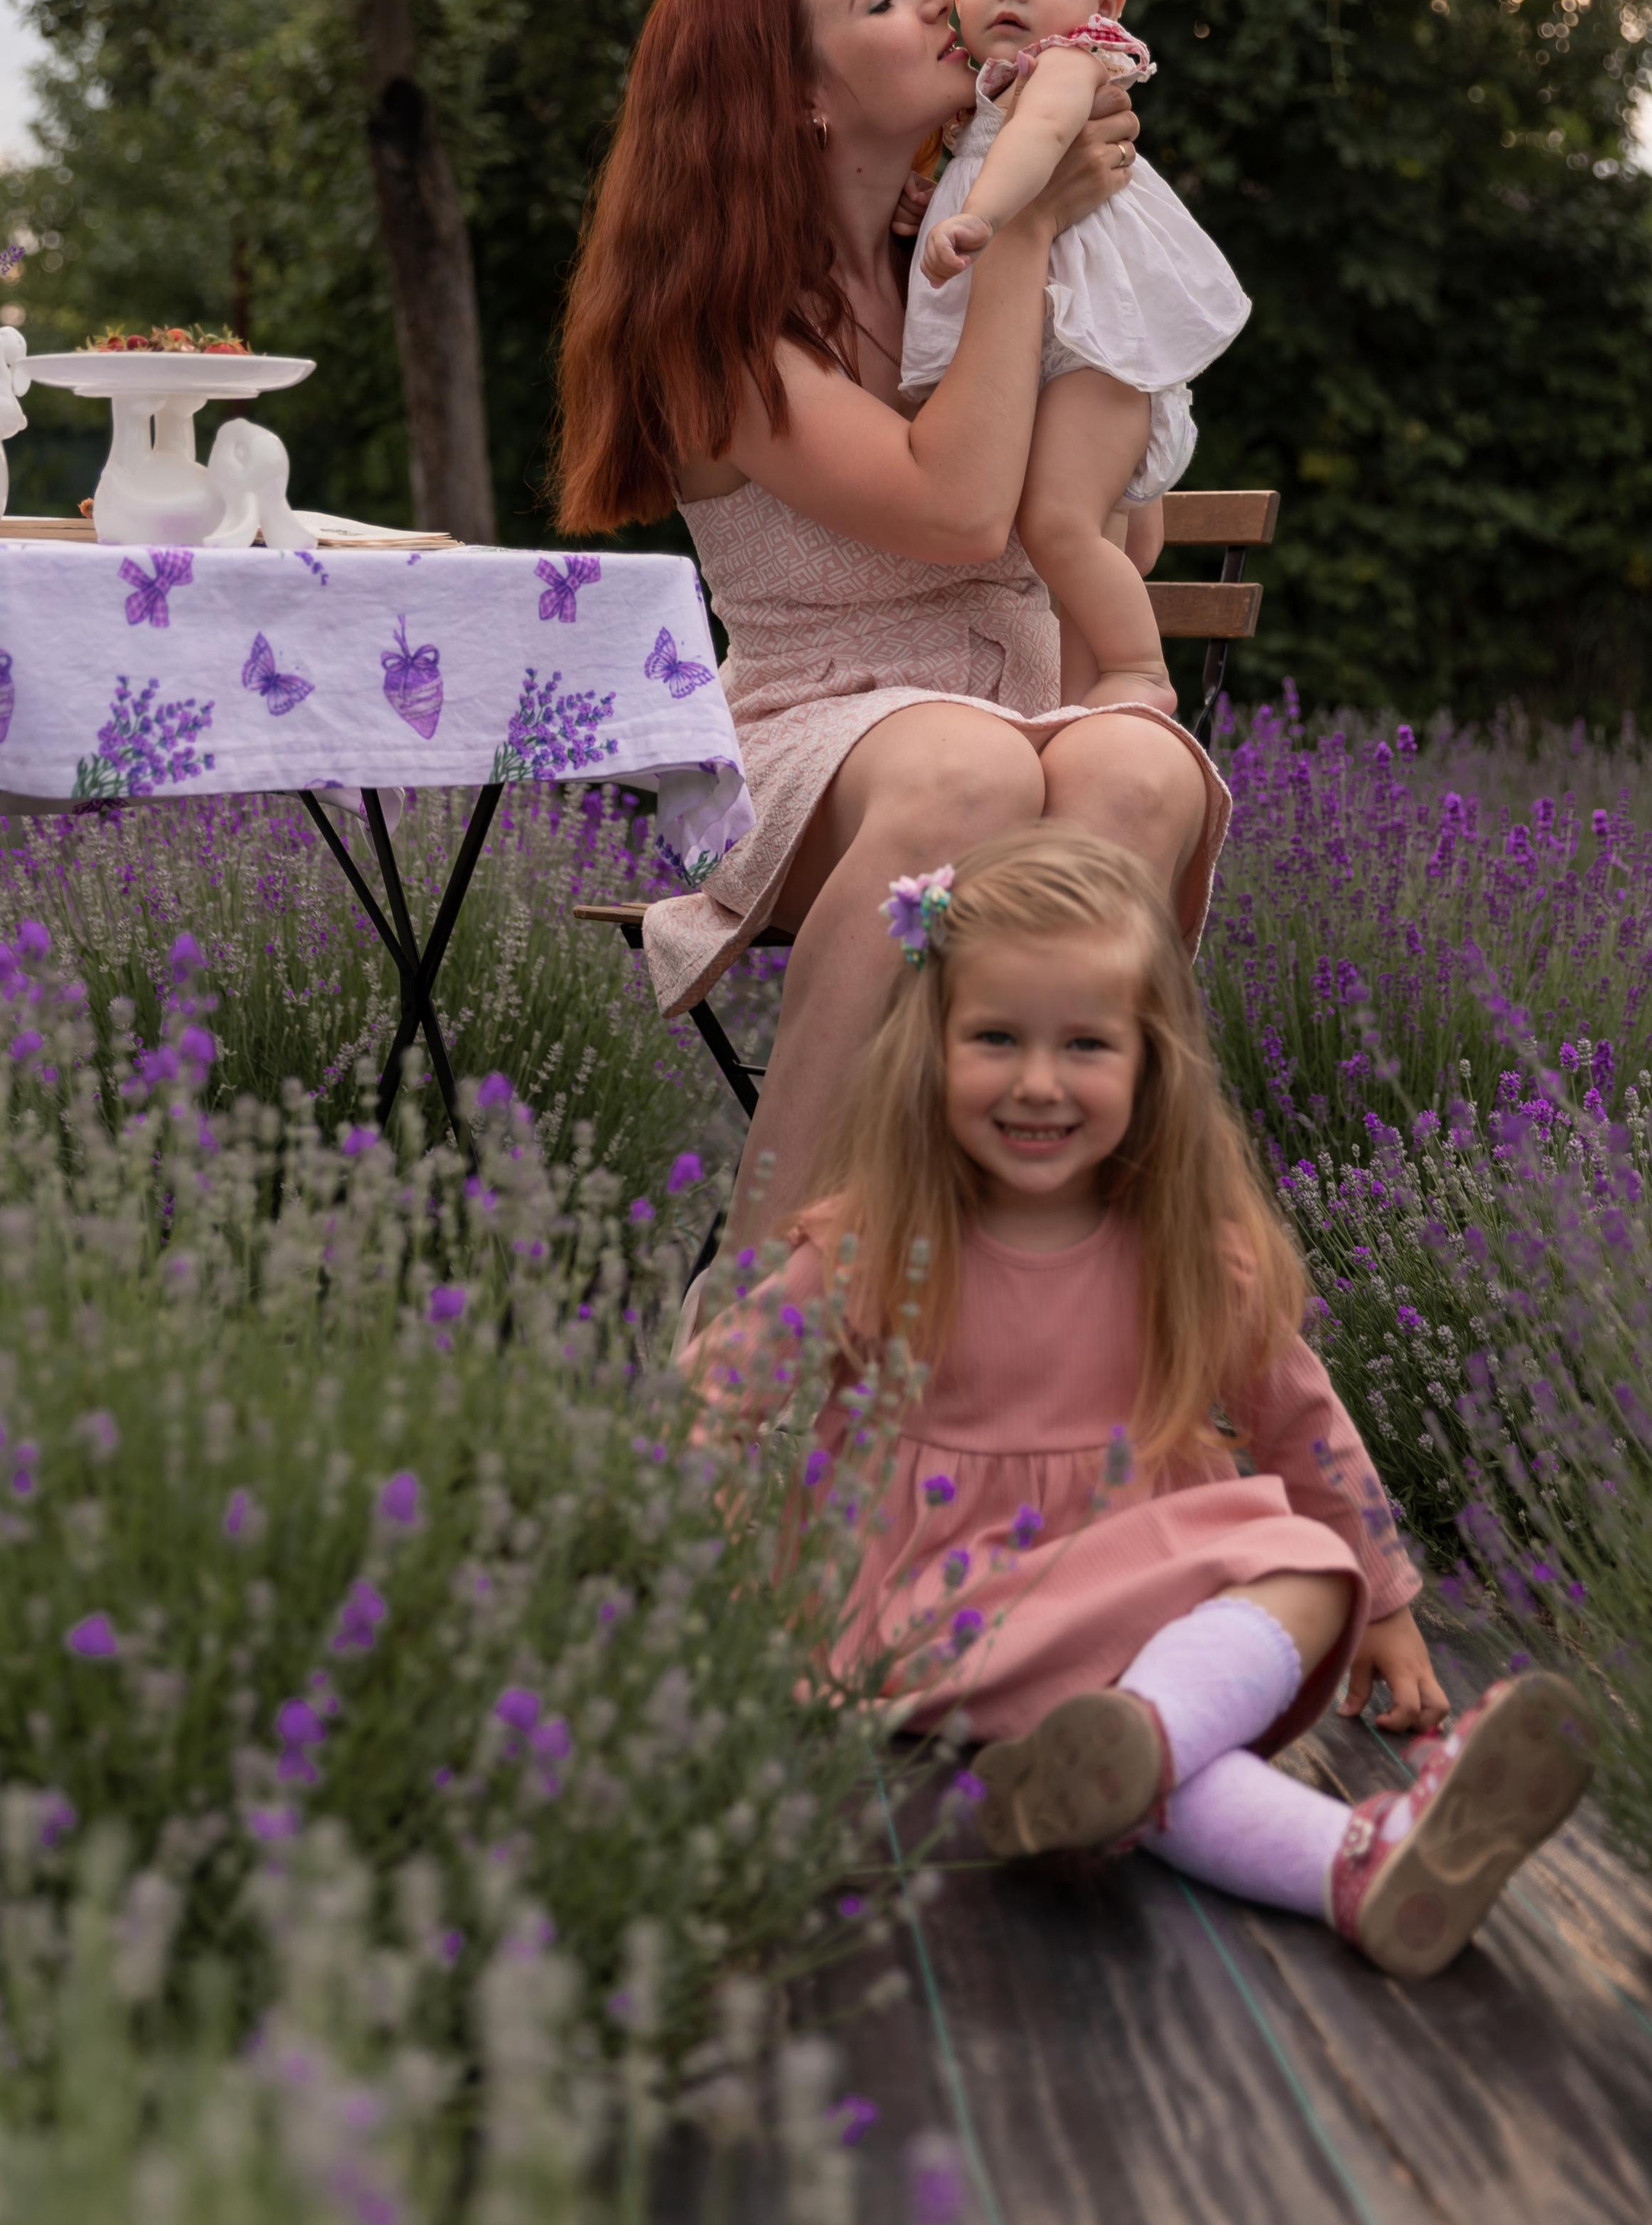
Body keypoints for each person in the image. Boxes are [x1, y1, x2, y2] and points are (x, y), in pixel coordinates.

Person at [685, 828, 1599, 1980]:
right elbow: (721, 1391)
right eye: (996, 1039)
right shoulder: (880, 1237)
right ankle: (1187, 1755)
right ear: (932, 1048)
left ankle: (1354, 1862)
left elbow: (1301, 1419)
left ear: (1149, 1062)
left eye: (1085, 1046)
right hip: (943, 1600)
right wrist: (700, 1543)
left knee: (1300, 1584)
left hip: (1128, 1590)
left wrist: (1385, 1605)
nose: (1037, 1082)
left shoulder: (1183, 1248)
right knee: (1230, 1649)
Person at [552, 0, 1229, 1285]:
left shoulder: (942, 261)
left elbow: (1120, 536)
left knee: (1142, 772)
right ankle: (766, 1317)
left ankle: (1064, 1307)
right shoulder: (716, 327)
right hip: (824, 731)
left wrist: (1096, 309)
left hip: (1020, 701)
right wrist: (1030, 233)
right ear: (796, 99)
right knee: (966, 778)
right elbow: (959, 515)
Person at [903, 0, 1250, 714]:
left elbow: (1042, 134)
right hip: (1056, 346)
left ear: (1106, 5)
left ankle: (1141, 673)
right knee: (1079, 544)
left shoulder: (1066, 65)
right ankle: (1084, 712)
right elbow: (979, 146)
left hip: (1088, 345)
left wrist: (975, 217)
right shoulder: (982, 91)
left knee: (1056, 527)